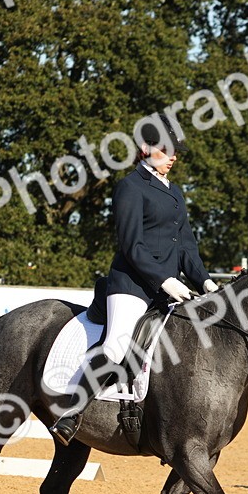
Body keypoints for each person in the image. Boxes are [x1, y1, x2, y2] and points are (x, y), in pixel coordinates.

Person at [49, 121, 218, 445]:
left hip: (168, 288)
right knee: (116, 345)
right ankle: (71, 414)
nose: (173, 158)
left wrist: (206, 281)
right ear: (145, 149)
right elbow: (131, 245)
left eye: (175, 153)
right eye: (166, 151)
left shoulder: (174, 192)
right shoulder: (130, 186)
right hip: (131, 285)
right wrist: (165, 279)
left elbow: (185, 244)